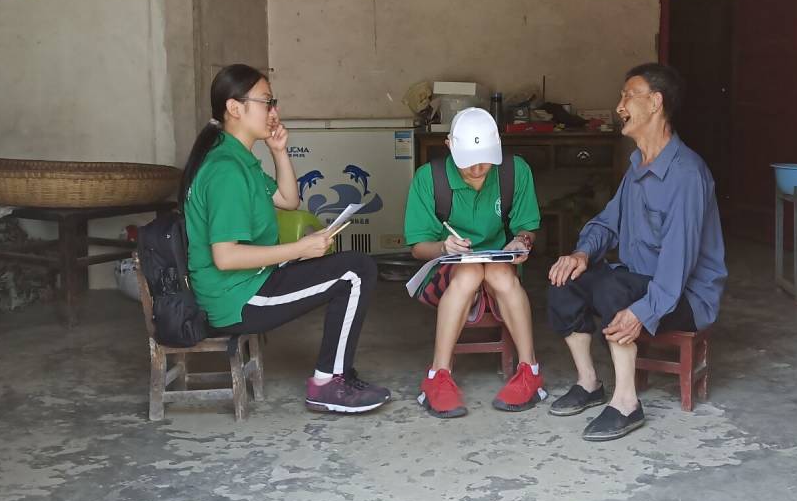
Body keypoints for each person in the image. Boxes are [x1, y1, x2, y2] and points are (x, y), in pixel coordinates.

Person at [181, 64, 390, 414]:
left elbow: (288, 200)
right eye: (266, 102)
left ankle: (335, 375)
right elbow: (226, 257)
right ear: (235, 108)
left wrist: (279, 150)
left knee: (356, 268)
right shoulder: (226, 170)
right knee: (356, 272)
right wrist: (300, 249)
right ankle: (328, 383)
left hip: (251, 281)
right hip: (237, 298)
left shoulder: (238, 158)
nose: (274, 112)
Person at [547, 63, 726, 441]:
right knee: (565, 280)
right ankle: (589, 383)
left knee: (614, 289)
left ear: (655, 102)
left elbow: (677, 265)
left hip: (685, 297)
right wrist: (580, 255)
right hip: (639, 279)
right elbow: (608, 222)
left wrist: (643, 311)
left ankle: (626, 403)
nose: (619, 106)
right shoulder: (638, 167)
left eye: (628, 96)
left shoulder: (686, 174)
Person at [403, 107, 545, 418]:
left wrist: (522, 241)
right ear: (449, 146)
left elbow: (526, 227)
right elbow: (418, 248)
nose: (478, 169)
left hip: (499, 263)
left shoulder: (514, 171)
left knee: (499, 273)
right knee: (468, 273)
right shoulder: (430, 178)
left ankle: (529, 370)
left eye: (485, 160)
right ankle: (438, 375)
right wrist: (443, 246)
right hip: (449, 267)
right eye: (468, 161)